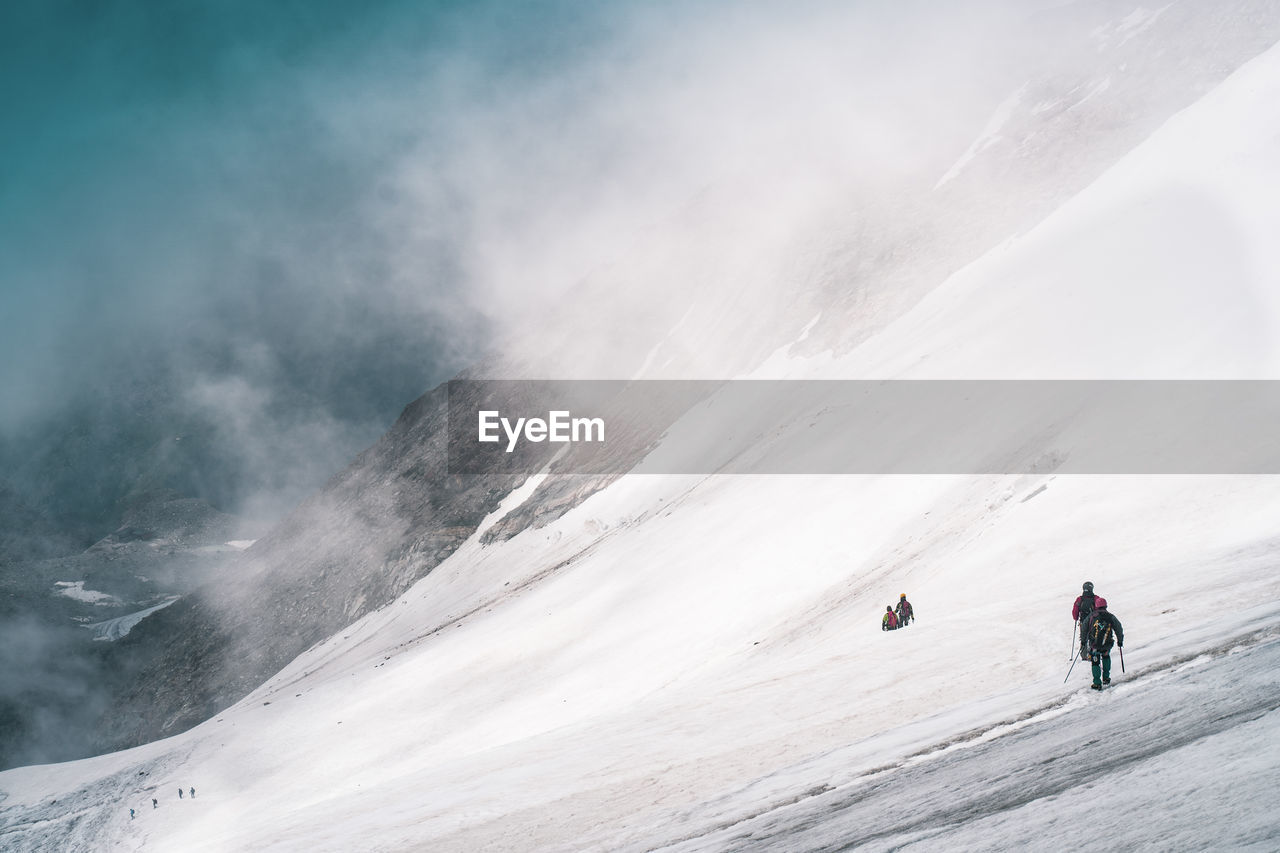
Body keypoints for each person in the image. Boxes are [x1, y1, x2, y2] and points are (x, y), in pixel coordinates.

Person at [1083, 597, 1124, 690]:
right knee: (1106, 657)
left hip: (1094, 644)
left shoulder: (1091, 616)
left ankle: (1097, 682)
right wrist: (1120, 640)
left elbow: (1084, 628)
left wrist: (1083, 641)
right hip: (1107, 644)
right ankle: (1106, 678)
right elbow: (1118, 628)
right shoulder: (1110, 616)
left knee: (1095, 662)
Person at [1071, 581, 1098, 660]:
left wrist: (1076, 618)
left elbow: (1075, 611)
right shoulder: (1095, 598)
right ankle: (1093, 654)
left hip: (1083, 622)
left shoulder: (1080, 599)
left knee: (1084, 638)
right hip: (1094, 621)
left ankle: (1084, 656)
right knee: (1093, 637)